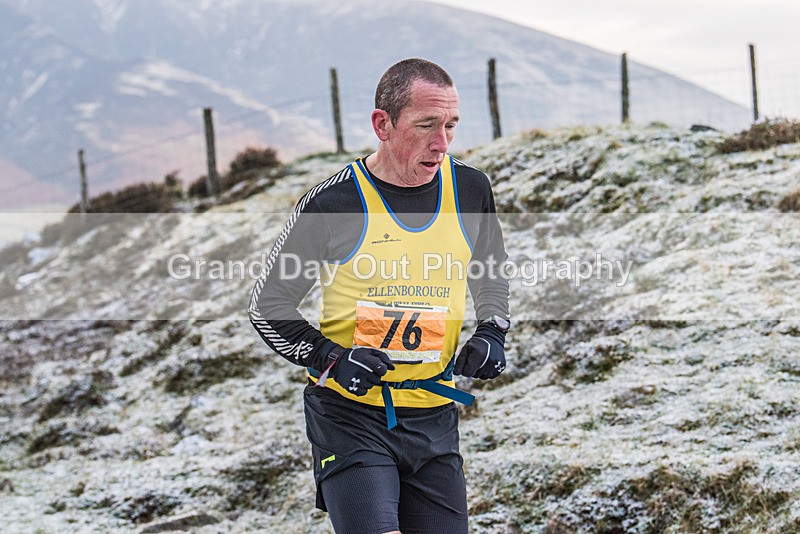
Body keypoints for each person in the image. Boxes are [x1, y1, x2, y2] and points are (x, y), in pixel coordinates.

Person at [249, 58, 510, 534]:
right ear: (382, 124)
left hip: (433, 414)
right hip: (350, 415)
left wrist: (493, 330)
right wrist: (331, 358)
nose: (442, 142)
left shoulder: (471, 189)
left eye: (451, 125)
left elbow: (490, 271)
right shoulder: (334, 203)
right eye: (426, 125)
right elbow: (268, 307)